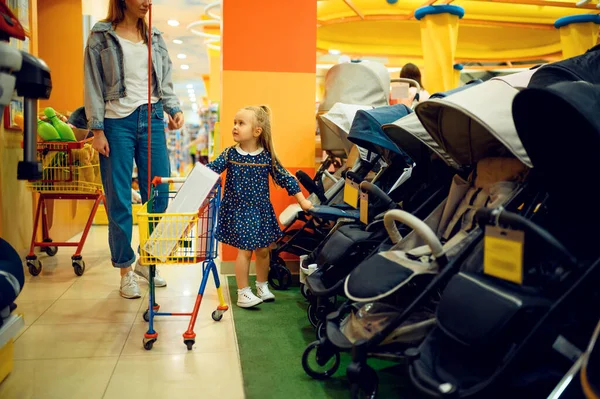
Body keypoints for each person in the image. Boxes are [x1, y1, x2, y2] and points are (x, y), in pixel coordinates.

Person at [84, 0, 184, 299]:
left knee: (159, 195)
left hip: (152, 119)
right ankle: (125, 269)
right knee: (119, 199)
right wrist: (97, 130)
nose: (147, 2)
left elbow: (164, 79)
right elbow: (92, 83)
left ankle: (147, 259)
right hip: (116, 123)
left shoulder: (154, 37)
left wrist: (173, 107)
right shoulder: (101, 35)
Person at [206, 105, 313, 308]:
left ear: (257, 131)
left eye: (241, 123)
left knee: (264, 250)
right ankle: (243, 292)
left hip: (261, 211)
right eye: (234, 123)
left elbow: (285, 178)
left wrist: (302, 200)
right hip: (239, 211)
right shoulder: (230, 154)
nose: (235, 127)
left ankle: (262, 286)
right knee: (245, 251)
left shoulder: (266, 157)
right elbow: (212, 170)